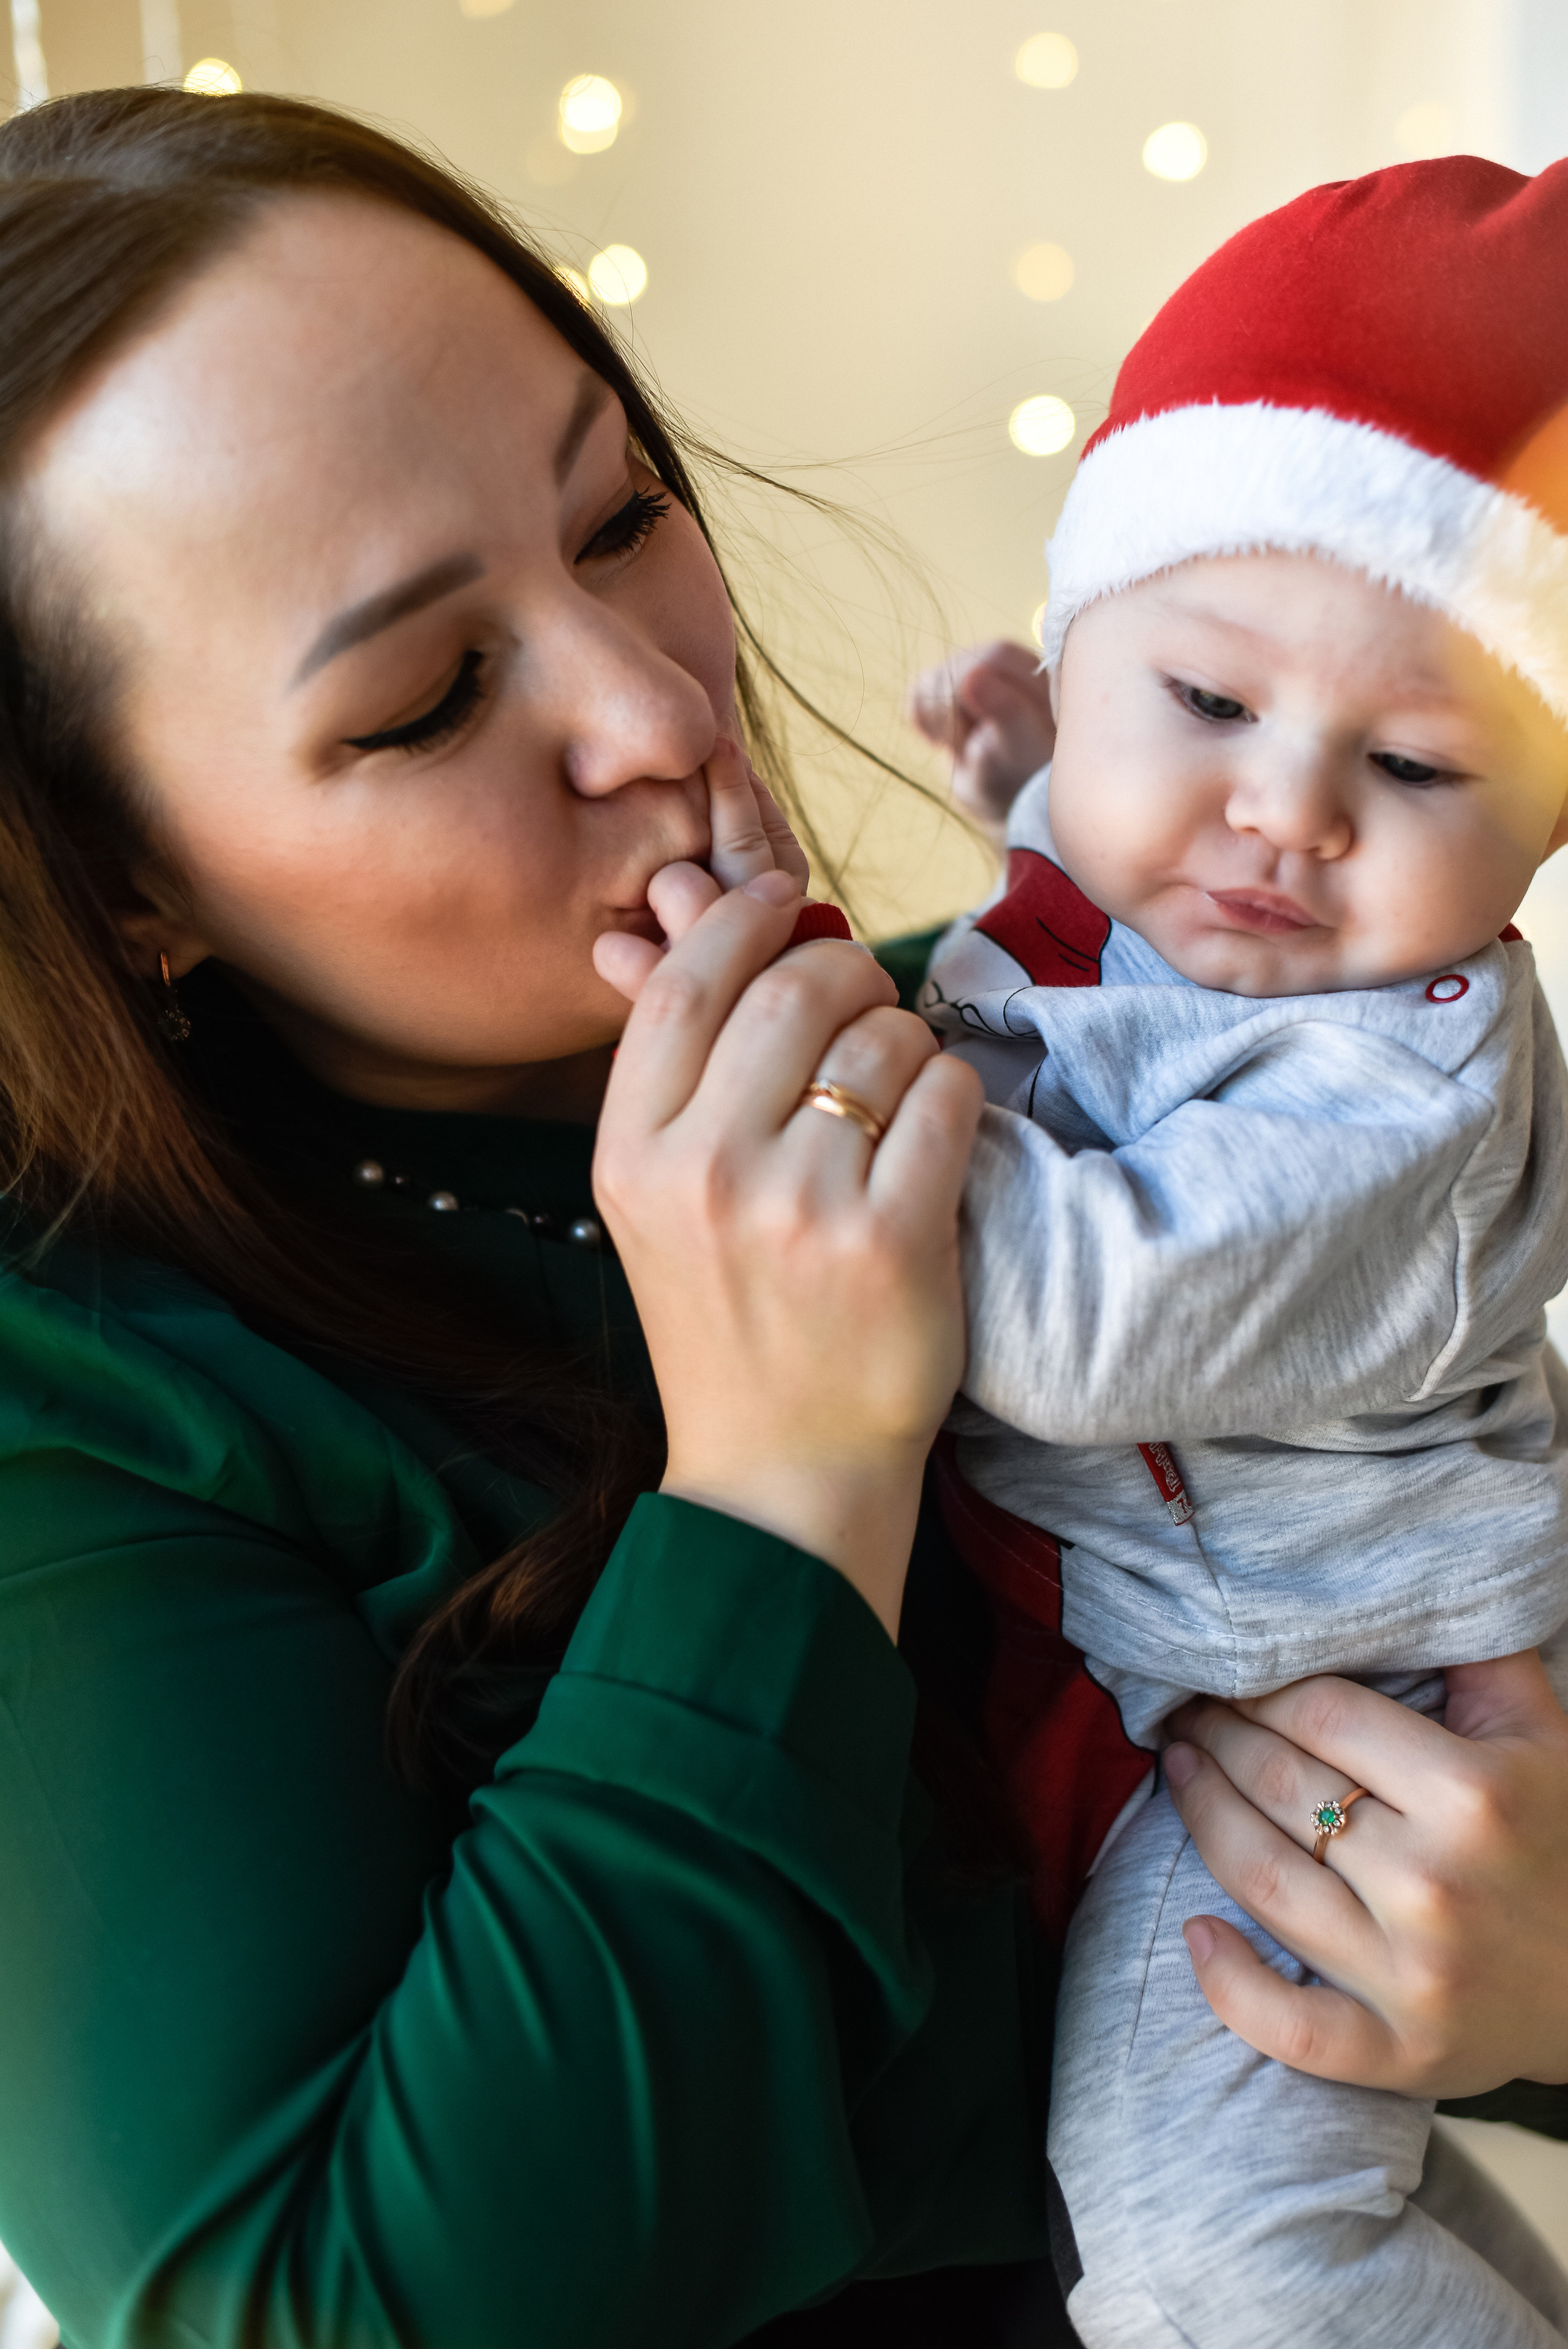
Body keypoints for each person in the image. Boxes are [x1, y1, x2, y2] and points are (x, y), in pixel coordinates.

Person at [0, 88, 1562, 2349]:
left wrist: (1539, 1970)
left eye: (622, 511)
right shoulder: (90, 1413)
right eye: (430, 693)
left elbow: (1463, 1570)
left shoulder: (1061, 1061)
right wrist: (781, 1475)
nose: (658, 703)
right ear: (123, 888)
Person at [916, 160, 1568, 2345]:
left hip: (1343, 1709)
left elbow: (1074, 1311)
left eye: (1408, 762)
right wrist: (1038, 779)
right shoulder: (1187, 901)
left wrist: (811, 1044)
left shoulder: (1405, 1077)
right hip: (1196, 1644)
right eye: (1202, 706)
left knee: (1202, 2244)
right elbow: (1100, 943)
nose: (1286, 812)